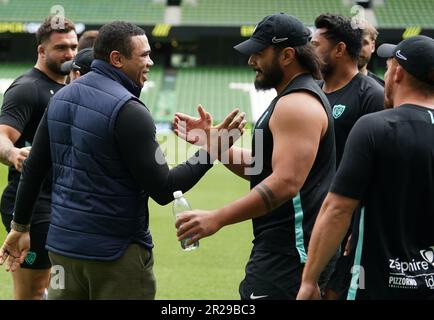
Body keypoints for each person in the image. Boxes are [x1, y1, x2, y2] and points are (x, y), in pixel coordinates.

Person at [0, 21, 245, 300]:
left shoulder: (61, 98)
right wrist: (213, 148)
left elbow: (34, 169)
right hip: (113, 255)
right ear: (117, 58)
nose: (151, 62)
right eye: (144, 55)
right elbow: (165, 190)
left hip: (62, 252)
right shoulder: (129, 110)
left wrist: (19, 228)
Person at [174, 13, 336, 300]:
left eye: (259, 53)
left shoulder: (297, 105)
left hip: (291, 255)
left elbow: (286, 182)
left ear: (287, 55)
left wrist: (217, 218)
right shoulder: (290, 99)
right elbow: (261, 168)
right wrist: (214, 142)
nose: (251, 62)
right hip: (283, 250)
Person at [297, 35, 434, 300]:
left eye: (389, 64)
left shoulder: (374, 127)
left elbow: (337, 210)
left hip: (377, 283)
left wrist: (309, 280)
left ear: (398, 74)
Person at [0, 16, 77, 300]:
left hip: (62, 201)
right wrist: (13, 153)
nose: (70, 53)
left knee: (59, 288)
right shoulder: (28, 88)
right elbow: (0, 136)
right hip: (31, 206)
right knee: (32, 292)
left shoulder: (69, 88)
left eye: (74, 46)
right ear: (42, 51)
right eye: (61, 47)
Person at [311, 13, 384, 299]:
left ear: (340, 49)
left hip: (346, 217)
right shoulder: (313, 91)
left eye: (315, 44)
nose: (310, 51)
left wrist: (361, 223)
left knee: (333, 292)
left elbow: (381, 166)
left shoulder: (373, 96)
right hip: (312, 214)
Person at [358, 20, 384, 86]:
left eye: (364, 43)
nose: (358, 48)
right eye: (353, 42)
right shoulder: (329, 82)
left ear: (372, 46)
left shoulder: (382, 88)